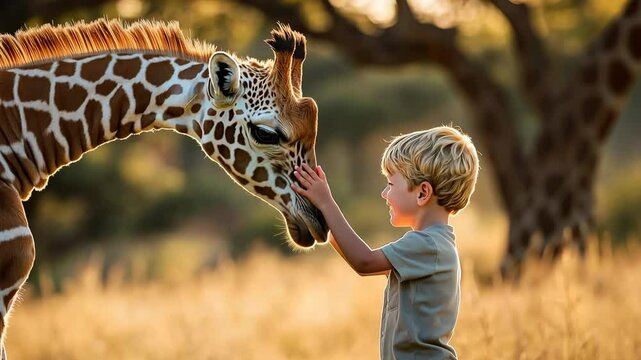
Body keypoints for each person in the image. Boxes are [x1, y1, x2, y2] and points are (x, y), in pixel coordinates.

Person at [292, 125, 480, 360]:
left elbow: (364, 261)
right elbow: (359, 257)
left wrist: (327, 204)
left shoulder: (428, 246)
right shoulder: (430, 245)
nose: (384, 194)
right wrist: (322, 220)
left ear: (423, 193)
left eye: (390, 185)